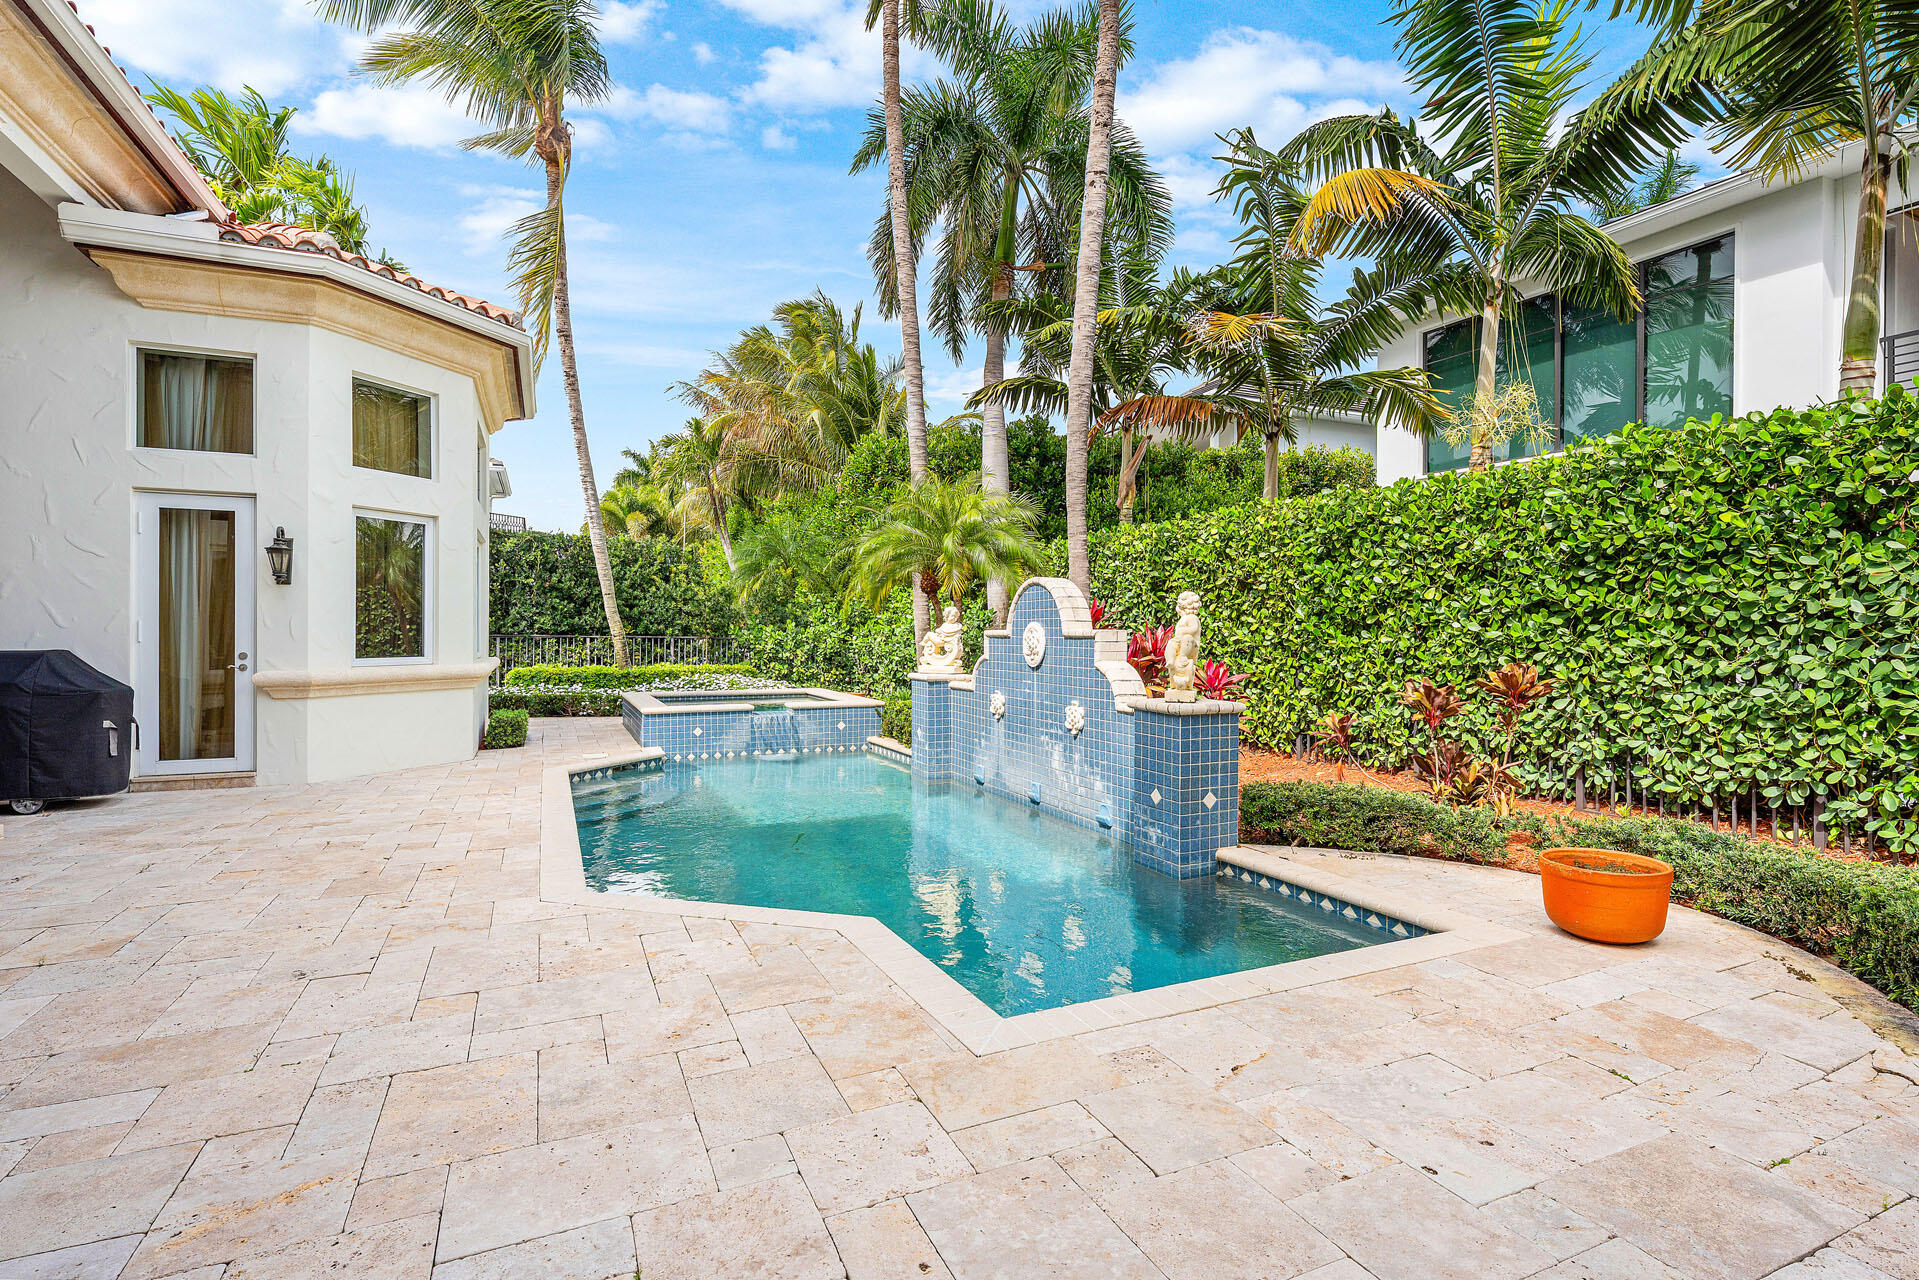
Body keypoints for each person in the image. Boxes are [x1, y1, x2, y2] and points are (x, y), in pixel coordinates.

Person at [1165, 591, 1201, 701]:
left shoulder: (1192, 617)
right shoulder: (1183, 618)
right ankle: (1170, 661)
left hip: (1191, 645)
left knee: (1187, 638)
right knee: (1171, 643)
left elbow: (1194, 629)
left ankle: (1183, 656)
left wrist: (1183, 631)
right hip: (1180, 642)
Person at [919, 604, 965, 673]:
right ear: (947, 616)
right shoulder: (948, 625)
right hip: (943, 641)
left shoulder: (955, 626)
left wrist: (939, 633)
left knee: (929, 634)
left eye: (955, 617)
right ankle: (925, 645)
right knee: (930, 636)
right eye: (952, 616)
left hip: (941, 642)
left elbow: (939, 631)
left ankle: (924, 642)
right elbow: (939, 631)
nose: (954, 618)